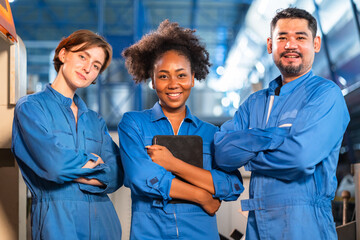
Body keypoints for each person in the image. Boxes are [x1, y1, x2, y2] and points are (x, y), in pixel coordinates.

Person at [214, 7, 350, 240]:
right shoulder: (253, 103)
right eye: (282, 38)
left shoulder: (326, 95)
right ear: (270, 45)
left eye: (300, 37)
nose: (290, 45)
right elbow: (223, 153)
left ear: (316, 44)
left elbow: (300, 158)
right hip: (257, 225)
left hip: (306, 226)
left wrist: (249, 152)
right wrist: (277, 136)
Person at [118, 20, 244, 240]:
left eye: (181, 75)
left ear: (193, 78)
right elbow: (141, 177)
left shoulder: (211, 133)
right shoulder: (133, 124)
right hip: (151, 234)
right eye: (163, 76)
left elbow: (232, 185)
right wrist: (202, 196)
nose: (173, 83)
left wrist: (173, 164)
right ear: (153, 80)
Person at [11, 30, 123, 239]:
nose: (88, 68)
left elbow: (117, 175)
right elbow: (55, 166)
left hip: (105, 224)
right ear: (63, 55)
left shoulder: (95, 120)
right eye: (83, 56)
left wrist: (70, 173)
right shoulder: (31, 108)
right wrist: (94, 163)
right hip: (57, 222)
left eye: (96, 66)